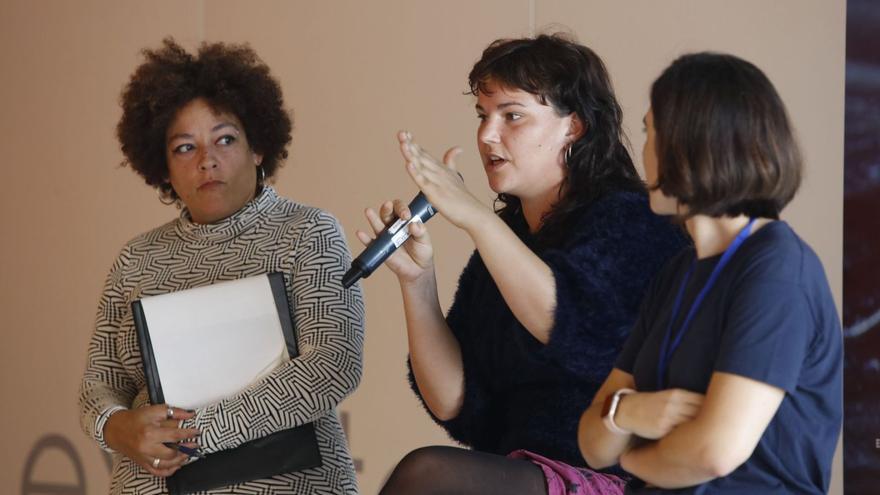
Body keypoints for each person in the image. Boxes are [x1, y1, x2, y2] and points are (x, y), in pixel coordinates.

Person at [358, 34, 688, 494]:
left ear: (573, 127)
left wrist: (473, 216)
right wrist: (418, 283)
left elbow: (568, 322)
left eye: (512, 115)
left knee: (427, 475)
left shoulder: (632, 219)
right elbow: (454, 400)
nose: (487, 135)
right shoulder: (506, 242)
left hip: (617, 479)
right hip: (521, 472)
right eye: (482, 115)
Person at [78, 39, 365, 494]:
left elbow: (332, 366)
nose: (207, 160)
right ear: (163, 169)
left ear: (258, 147)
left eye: (225, 139)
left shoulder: (307, 232)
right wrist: (118, 429)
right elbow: (100, 385)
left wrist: (189, 436)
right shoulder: (137, 259)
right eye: (184, 148)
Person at [577, 52, 842, 494]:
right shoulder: (678, 272)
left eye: (649, 131)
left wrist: (631, 457)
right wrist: (627, 412)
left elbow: (715, 451)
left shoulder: (776, 268)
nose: (642, 149)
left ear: (690, 144)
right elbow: (591, 443)